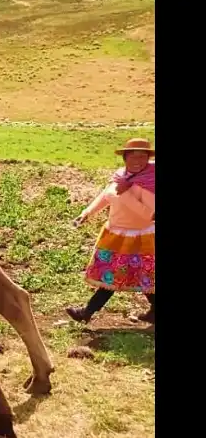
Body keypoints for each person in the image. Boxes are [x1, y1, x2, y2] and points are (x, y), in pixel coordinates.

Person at [66, 138, 155, 325]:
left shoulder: (149, 181)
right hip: (116, 235)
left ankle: (87, 311)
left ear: (148, 158)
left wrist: (127, 193)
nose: (138, 160)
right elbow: (106, 196)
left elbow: (150, 215)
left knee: (142, 277)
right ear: (125, 158)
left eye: (143, 156)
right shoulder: (120, 177)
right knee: (114, 275)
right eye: (133, 156)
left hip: (142, 237)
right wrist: (86, 213)